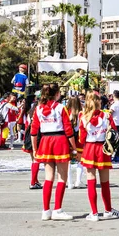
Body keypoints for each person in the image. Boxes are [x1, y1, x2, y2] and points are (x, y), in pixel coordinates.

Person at [31, 84, 77, 221]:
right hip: (60, 140)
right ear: (57, 94)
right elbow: (68, 129)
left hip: (45, 141)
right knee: (62, 177)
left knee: (48, 177)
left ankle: (46, 210)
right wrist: (74, 147)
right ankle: (57, 209)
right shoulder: (60, 108)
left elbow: (33, 131)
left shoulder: (38, 109)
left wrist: (34, 148)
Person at [79, 91, 119, 221]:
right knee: (105, 183)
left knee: (91, 181)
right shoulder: (107, 115)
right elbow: (114, 132)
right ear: (100, 101)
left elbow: (81, 139)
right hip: (103, 149)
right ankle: (108, 210)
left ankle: (94, 213)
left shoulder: (83, 116)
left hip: (90, 149)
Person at [66, 96, 85, 189]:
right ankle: (78, 180)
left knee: (68, 161)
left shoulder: (66, 112)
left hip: (68, 139)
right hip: (79, 139)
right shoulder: (82, 113)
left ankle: (69, 182)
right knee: (80, 161)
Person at [109, 90, 119, 162]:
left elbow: (110, 113)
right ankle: (117, 155)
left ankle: (110, 155)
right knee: (117, 139)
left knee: (111, 139)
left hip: (114, 123)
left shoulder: (114, 105)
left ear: (113, 95)